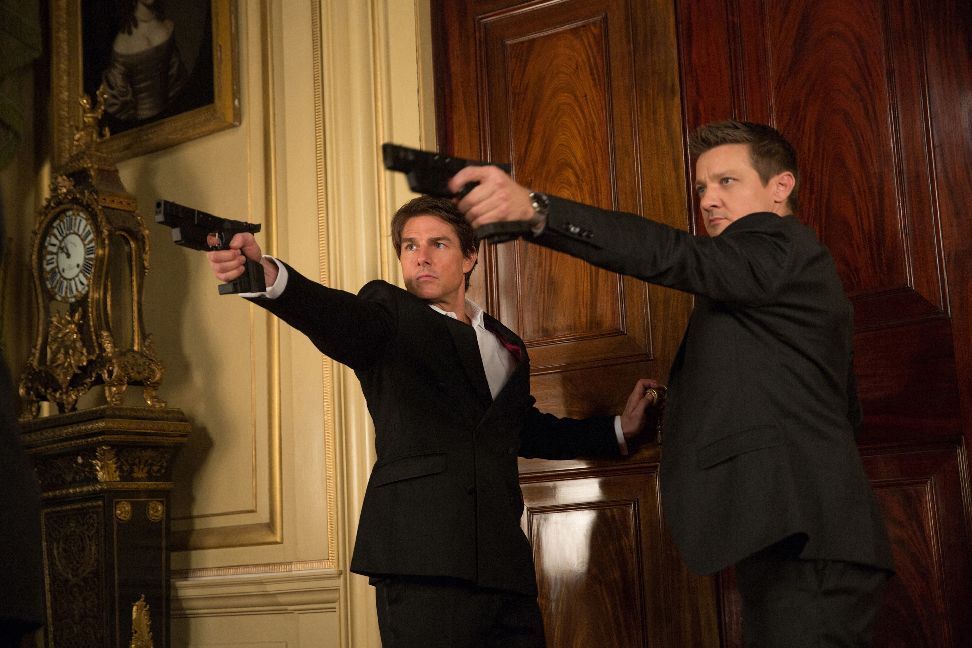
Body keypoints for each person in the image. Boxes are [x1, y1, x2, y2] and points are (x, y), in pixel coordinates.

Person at [449, 120, 894, 647]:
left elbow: (671, 254)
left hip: (810, 541)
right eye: (702, 187)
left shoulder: (779, 247)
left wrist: (536, 211)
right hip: (800, 536)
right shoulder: (776, 274)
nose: (708, 199)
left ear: (781, 186)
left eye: (727, 181)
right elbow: (840, 408)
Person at [207, 196, 660, 647]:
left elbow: (523, 430)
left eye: (438, 244)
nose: (420, 256)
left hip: (504, 567)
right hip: (420, 561)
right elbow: (334, 315)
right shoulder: (388, 314)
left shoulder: (507, 344)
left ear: (469, 257)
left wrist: (617, 430)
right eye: (410, 245)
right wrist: (265, 275)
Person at [101, 0, 187, 122]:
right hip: (141, 126)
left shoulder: (166, 27)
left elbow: (177, 81)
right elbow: (117, 102)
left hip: (172, 118)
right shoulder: (122, 43)